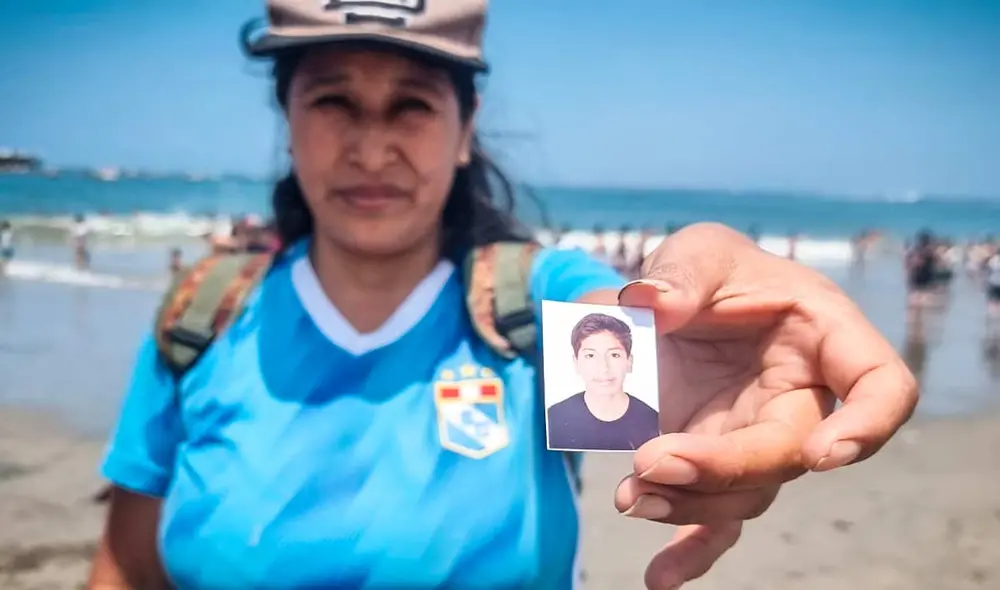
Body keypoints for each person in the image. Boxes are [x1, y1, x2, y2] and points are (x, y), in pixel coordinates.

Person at [88, 2, 919, 590]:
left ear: (465, 128)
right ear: (287, 115)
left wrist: (697, 331)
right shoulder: (201, 317)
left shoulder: (530, 307)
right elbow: (123, 569)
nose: (371, 146)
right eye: (333, 100)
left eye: (411, 105)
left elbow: (621, 314)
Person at [547, 312, 659, 451]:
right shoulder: (554, 418)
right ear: (576, 363)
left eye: (614, 355)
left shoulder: (652, 421)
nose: (604, 368)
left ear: (629, 362)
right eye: (590, 355)